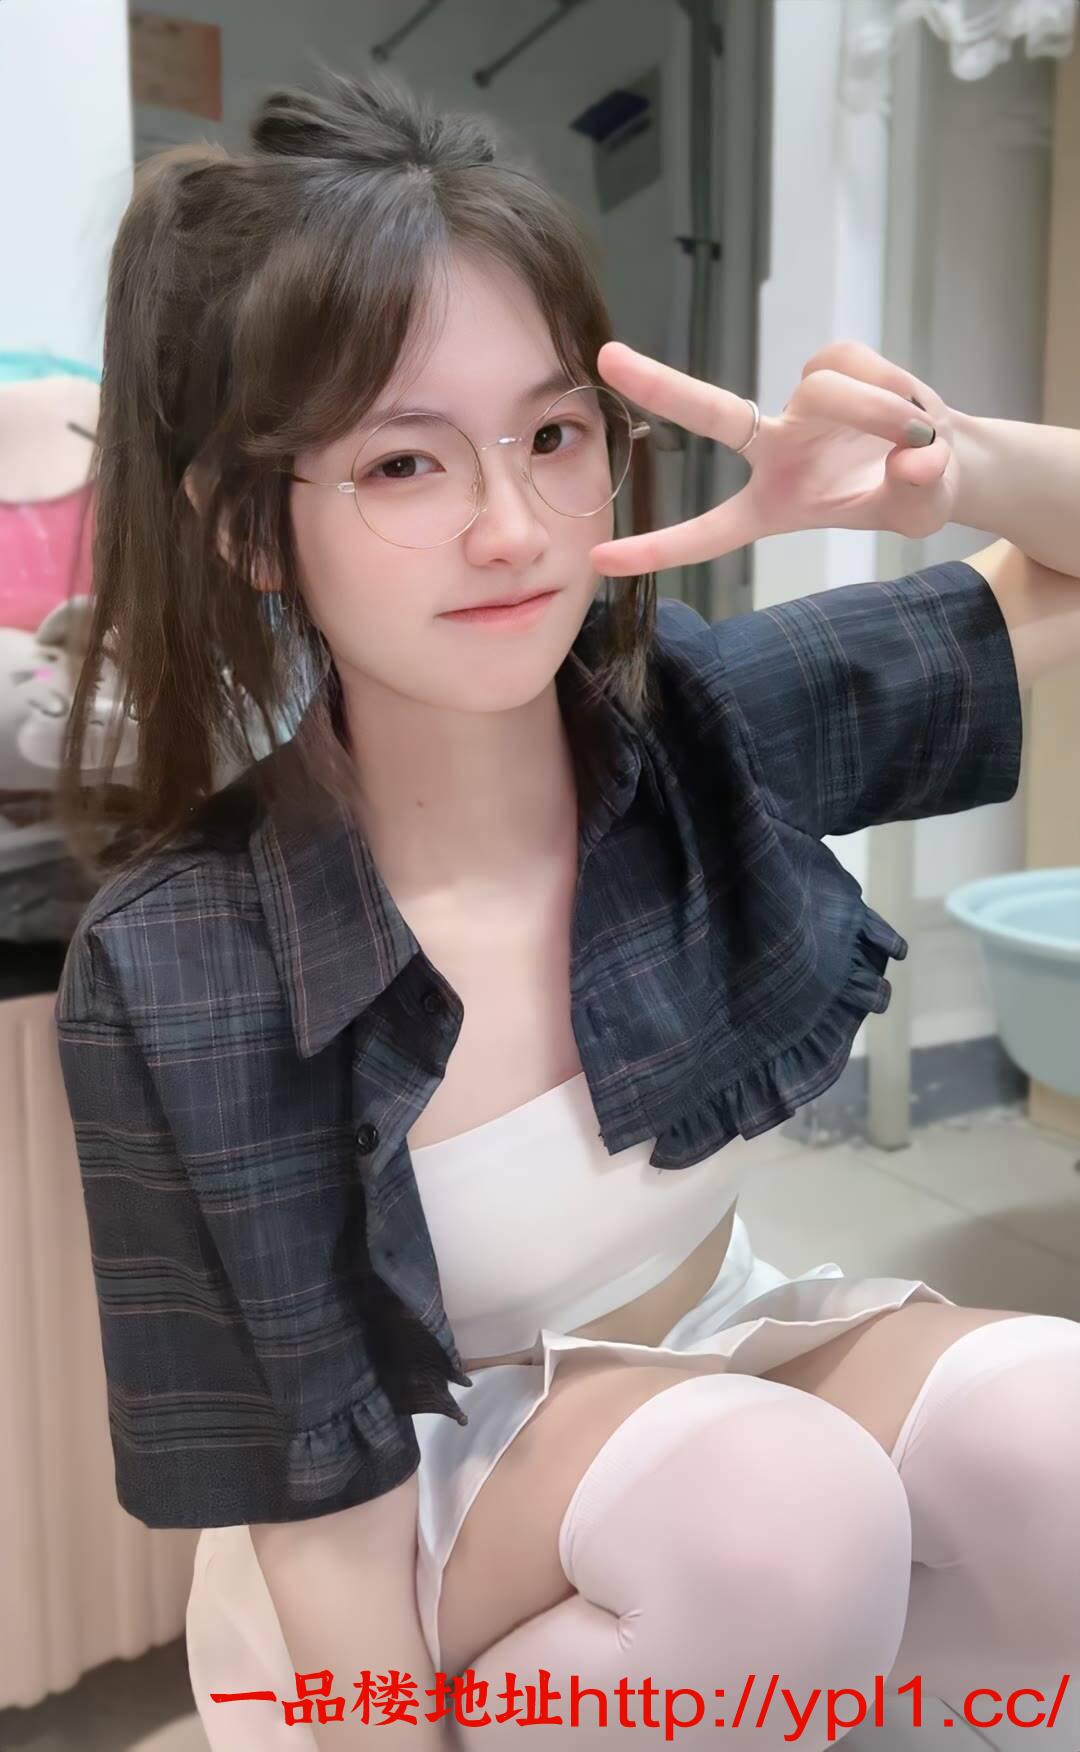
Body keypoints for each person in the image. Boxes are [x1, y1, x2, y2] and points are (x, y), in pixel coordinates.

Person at [53, 67, 1080, 1752]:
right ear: (251, 530)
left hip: (722, 1384)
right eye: (404, 462)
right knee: (777, 1514)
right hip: (390, 1566)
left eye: (552, 436)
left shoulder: (697, 731)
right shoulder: (189, 958)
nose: (510, 527)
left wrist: (945, 462)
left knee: (1050, 1441)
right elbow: (326, 1532)